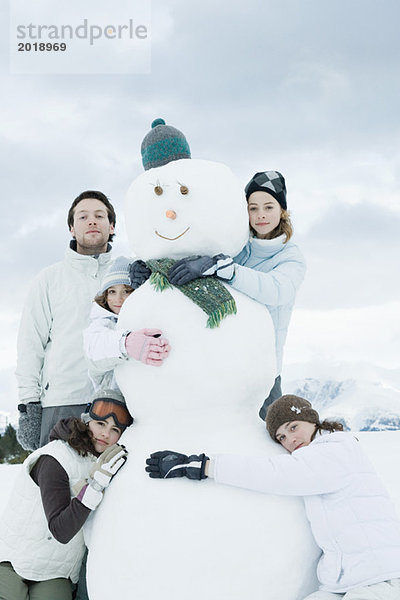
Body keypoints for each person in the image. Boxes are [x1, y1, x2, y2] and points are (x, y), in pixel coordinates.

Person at [146, 394, 400, 599]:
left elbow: (276, 474)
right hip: (346, 581)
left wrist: (205, 466)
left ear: (312, 421)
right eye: (281, 437)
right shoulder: (319, 457)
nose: (290, 439)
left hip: (382, 577)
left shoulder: (336, 449)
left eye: (293, 427)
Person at [167, 171, 306, 420]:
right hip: (224, 360)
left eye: (268, 206)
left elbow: (276, 290)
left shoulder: (290, 256)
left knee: (272, 437)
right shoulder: (237, 247)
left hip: (263, 367)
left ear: (282, 210)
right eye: (253, 208)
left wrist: (228, 270)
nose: (261, 215)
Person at [0, 388, 132, 600]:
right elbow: (60, 530)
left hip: (55, 571)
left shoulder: (102, 463)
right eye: (100, 424)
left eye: (114, 429)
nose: (106, 434)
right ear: (87, 420)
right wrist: (94, 487)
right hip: (12, 561)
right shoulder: (55, 457)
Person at [16, 190, 116, 451]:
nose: (91, 221)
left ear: (111, 226)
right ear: (72, 228)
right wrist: (30, 405)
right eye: (83, 217)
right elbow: (30, 344)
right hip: (62, 400)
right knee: (57, 485)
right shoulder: (49, 279)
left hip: (116, 402)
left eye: (99, 215)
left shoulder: (126, 275)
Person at [83, 256, 171, 391]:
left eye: (126, 291)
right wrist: (125, 343)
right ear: (105, 296)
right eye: (112, 292)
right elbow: (94, 349)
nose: (118, 299)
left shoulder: (146, 317)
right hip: (112, 403)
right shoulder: (103, 323)